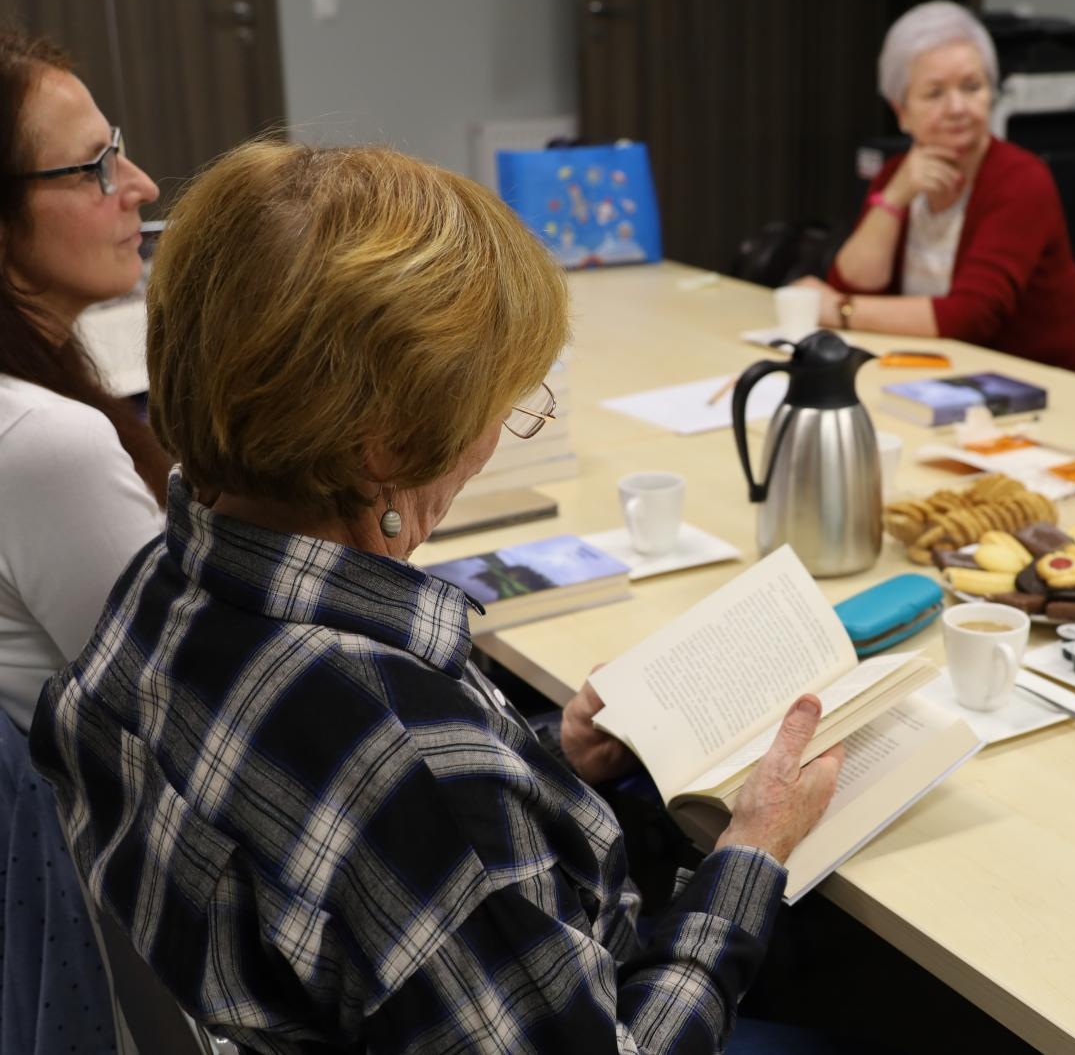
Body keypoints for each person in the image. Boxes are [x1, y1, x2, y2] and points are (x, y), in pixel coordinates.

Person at [31, 140, 843, 1054]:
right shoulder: (406, 756)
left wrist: (549, 757)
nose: (494, 432)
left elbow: (357, 876)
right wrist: (749, 857)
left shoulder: (159, 585)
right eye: (493, 401)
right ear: (381, 447)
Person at [0, 29, 165, 728]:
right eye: (94, 166)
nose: (141, 187)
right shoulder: (45, 443)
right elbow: (187, 710)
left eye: (117, 149)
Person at [792, 1, 1075, 372]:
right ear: (902, 112)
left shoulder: (1022, 180)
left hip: (1023, 389)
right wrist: (894, 198)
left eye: (972, 87)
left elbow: (968, 318)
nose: (957, 107)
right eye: (934, 94)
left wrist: (840, 310)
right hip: (924, 376)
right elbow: (854, 282)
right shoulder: (896, 173)